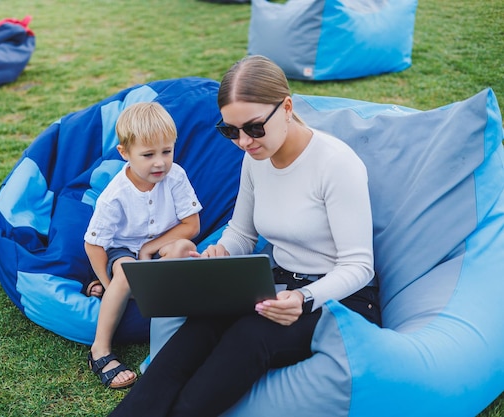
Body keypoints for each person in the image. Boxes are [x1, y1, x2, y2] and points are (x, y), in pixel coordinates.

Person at [108, 55, 381, 416]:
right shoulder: (255, 158)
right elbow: (241, 232)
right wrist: (217, 253)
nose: (243, 142)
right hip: (279, 286)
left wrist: (303, 298)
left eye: (253, 128)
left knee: (248, 338)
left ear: (286, 108)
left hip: (340, 298)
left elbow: (359, 265)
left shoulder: (336, 164)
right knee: (200, 328)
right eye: (230, 131)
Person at [84, 102, 202, 390]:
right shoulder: (115, 194)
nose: (160, 162)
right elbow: (93, 244)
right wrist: (109, 281)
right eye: (148, 155)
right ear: (125, 153)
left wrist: (151, 248)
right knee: (126, 272)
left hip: (162, 244)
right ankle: (99, 350)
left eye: (167, 151)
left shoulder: (175, 176)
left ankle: (130, 292)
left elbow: (192, 225)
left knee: (184, 247)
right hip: (122, 251)